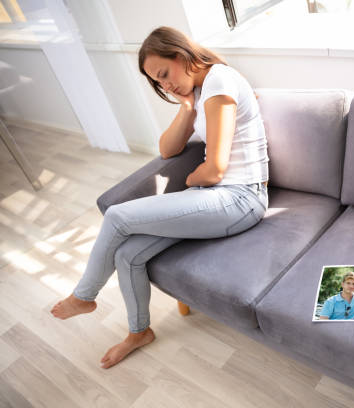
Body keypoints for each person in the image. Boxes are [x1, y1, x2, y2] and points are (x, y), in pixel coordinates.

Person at [50, 26, 270, 369]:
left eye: (164, 74)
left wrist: (195, 178)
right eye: (157, 82)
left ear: (181, 56)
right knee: (127, 255)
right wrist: (185, 107)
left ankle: (84, 295)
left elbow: (214, 171)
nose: (164, 85)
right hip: (219, 197)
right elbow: (168, 150)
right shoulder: (200, 90)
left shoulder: (219, 82)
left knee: (117, 216)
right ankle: (139, 332)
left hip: (242, 198)